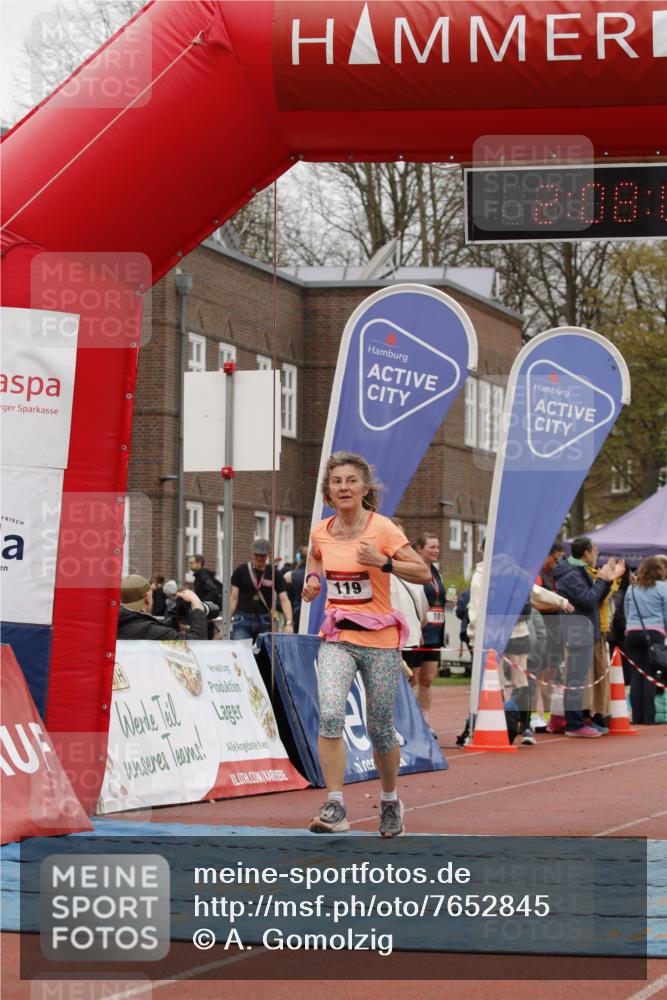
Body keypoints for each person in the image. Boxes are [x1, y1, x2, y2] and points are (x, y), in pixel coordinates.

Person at [301, 451, 430, 837]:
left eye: (351, 481)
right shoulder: (321, 531)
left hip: (380, 641)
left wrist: (384, 562)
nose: (344, 487)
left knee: (380, 726)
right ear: (328, 491)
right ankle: (335, 805)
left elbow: (423, 573)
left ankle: (390, 801)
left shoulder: (383, 529)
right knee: (329, 716)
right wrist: (313, 580)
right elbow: (315, 558)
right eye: (337, 481)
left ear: (364, 489)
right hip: (337, 637)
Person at [554, 537, 625, 737]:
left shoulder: (578, 571)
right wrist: (602, 579)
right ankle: (574, 724)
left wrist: (608, 580)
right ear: (586, 553)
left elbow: (595, 599)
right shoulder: (571, 574)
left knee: (579, 678)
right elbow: (588, 600)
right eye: (595, 552)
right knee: (575, 678)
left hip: (584, 630)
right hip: (577, 631)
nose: (597, 556)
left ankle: (581, 719)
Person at [624, 555, 667, 725]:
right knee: (650, 675)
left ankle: (637, 717)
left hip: (633, 633)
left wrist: (630, 626)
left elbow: (626, 610)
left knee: (636, 675)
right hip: (654, 633)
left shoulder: (632, 588)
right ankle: (649, 717)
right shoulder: (662, 587)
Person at [412, 533, 447, 736]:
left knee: (427, 680)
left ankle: (424, 722)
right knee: (411, 680)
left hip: (435, 634)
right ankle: (407, 721)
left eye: (437, 547)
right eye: (432, 547)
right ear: (419, 549)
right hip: (418, 634)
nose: (436, 551)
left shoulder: (436, 572)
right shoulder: (413, 570)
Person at [230, 538, 294, 643]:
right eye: (257, 555)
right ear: (252, 553)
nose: (259, 558)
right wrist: (227, 620)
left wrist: (289, 623)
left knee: (264, 652)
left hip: (264, 621)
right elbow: (233, 598)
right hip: (242, 619)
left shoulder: (274, 573)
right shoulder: (241, 571)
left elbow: (284, 600)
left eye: (262, 556)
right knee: (242, 650)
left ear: (269, 554)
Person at [117, 575, 208, 640]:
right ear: (147, 598)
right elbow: (196, 641)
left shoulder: (117, 622)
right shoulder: (147, 630)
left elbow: (159, 629)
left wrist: (175, 619)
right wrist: (197, 605)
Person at [284, 545, 308, 632]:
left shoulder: (289, 575)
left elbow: (284, 599)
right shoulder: (318, 576)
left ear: (298, 558)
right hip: (313, 613)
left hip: (296, 612)